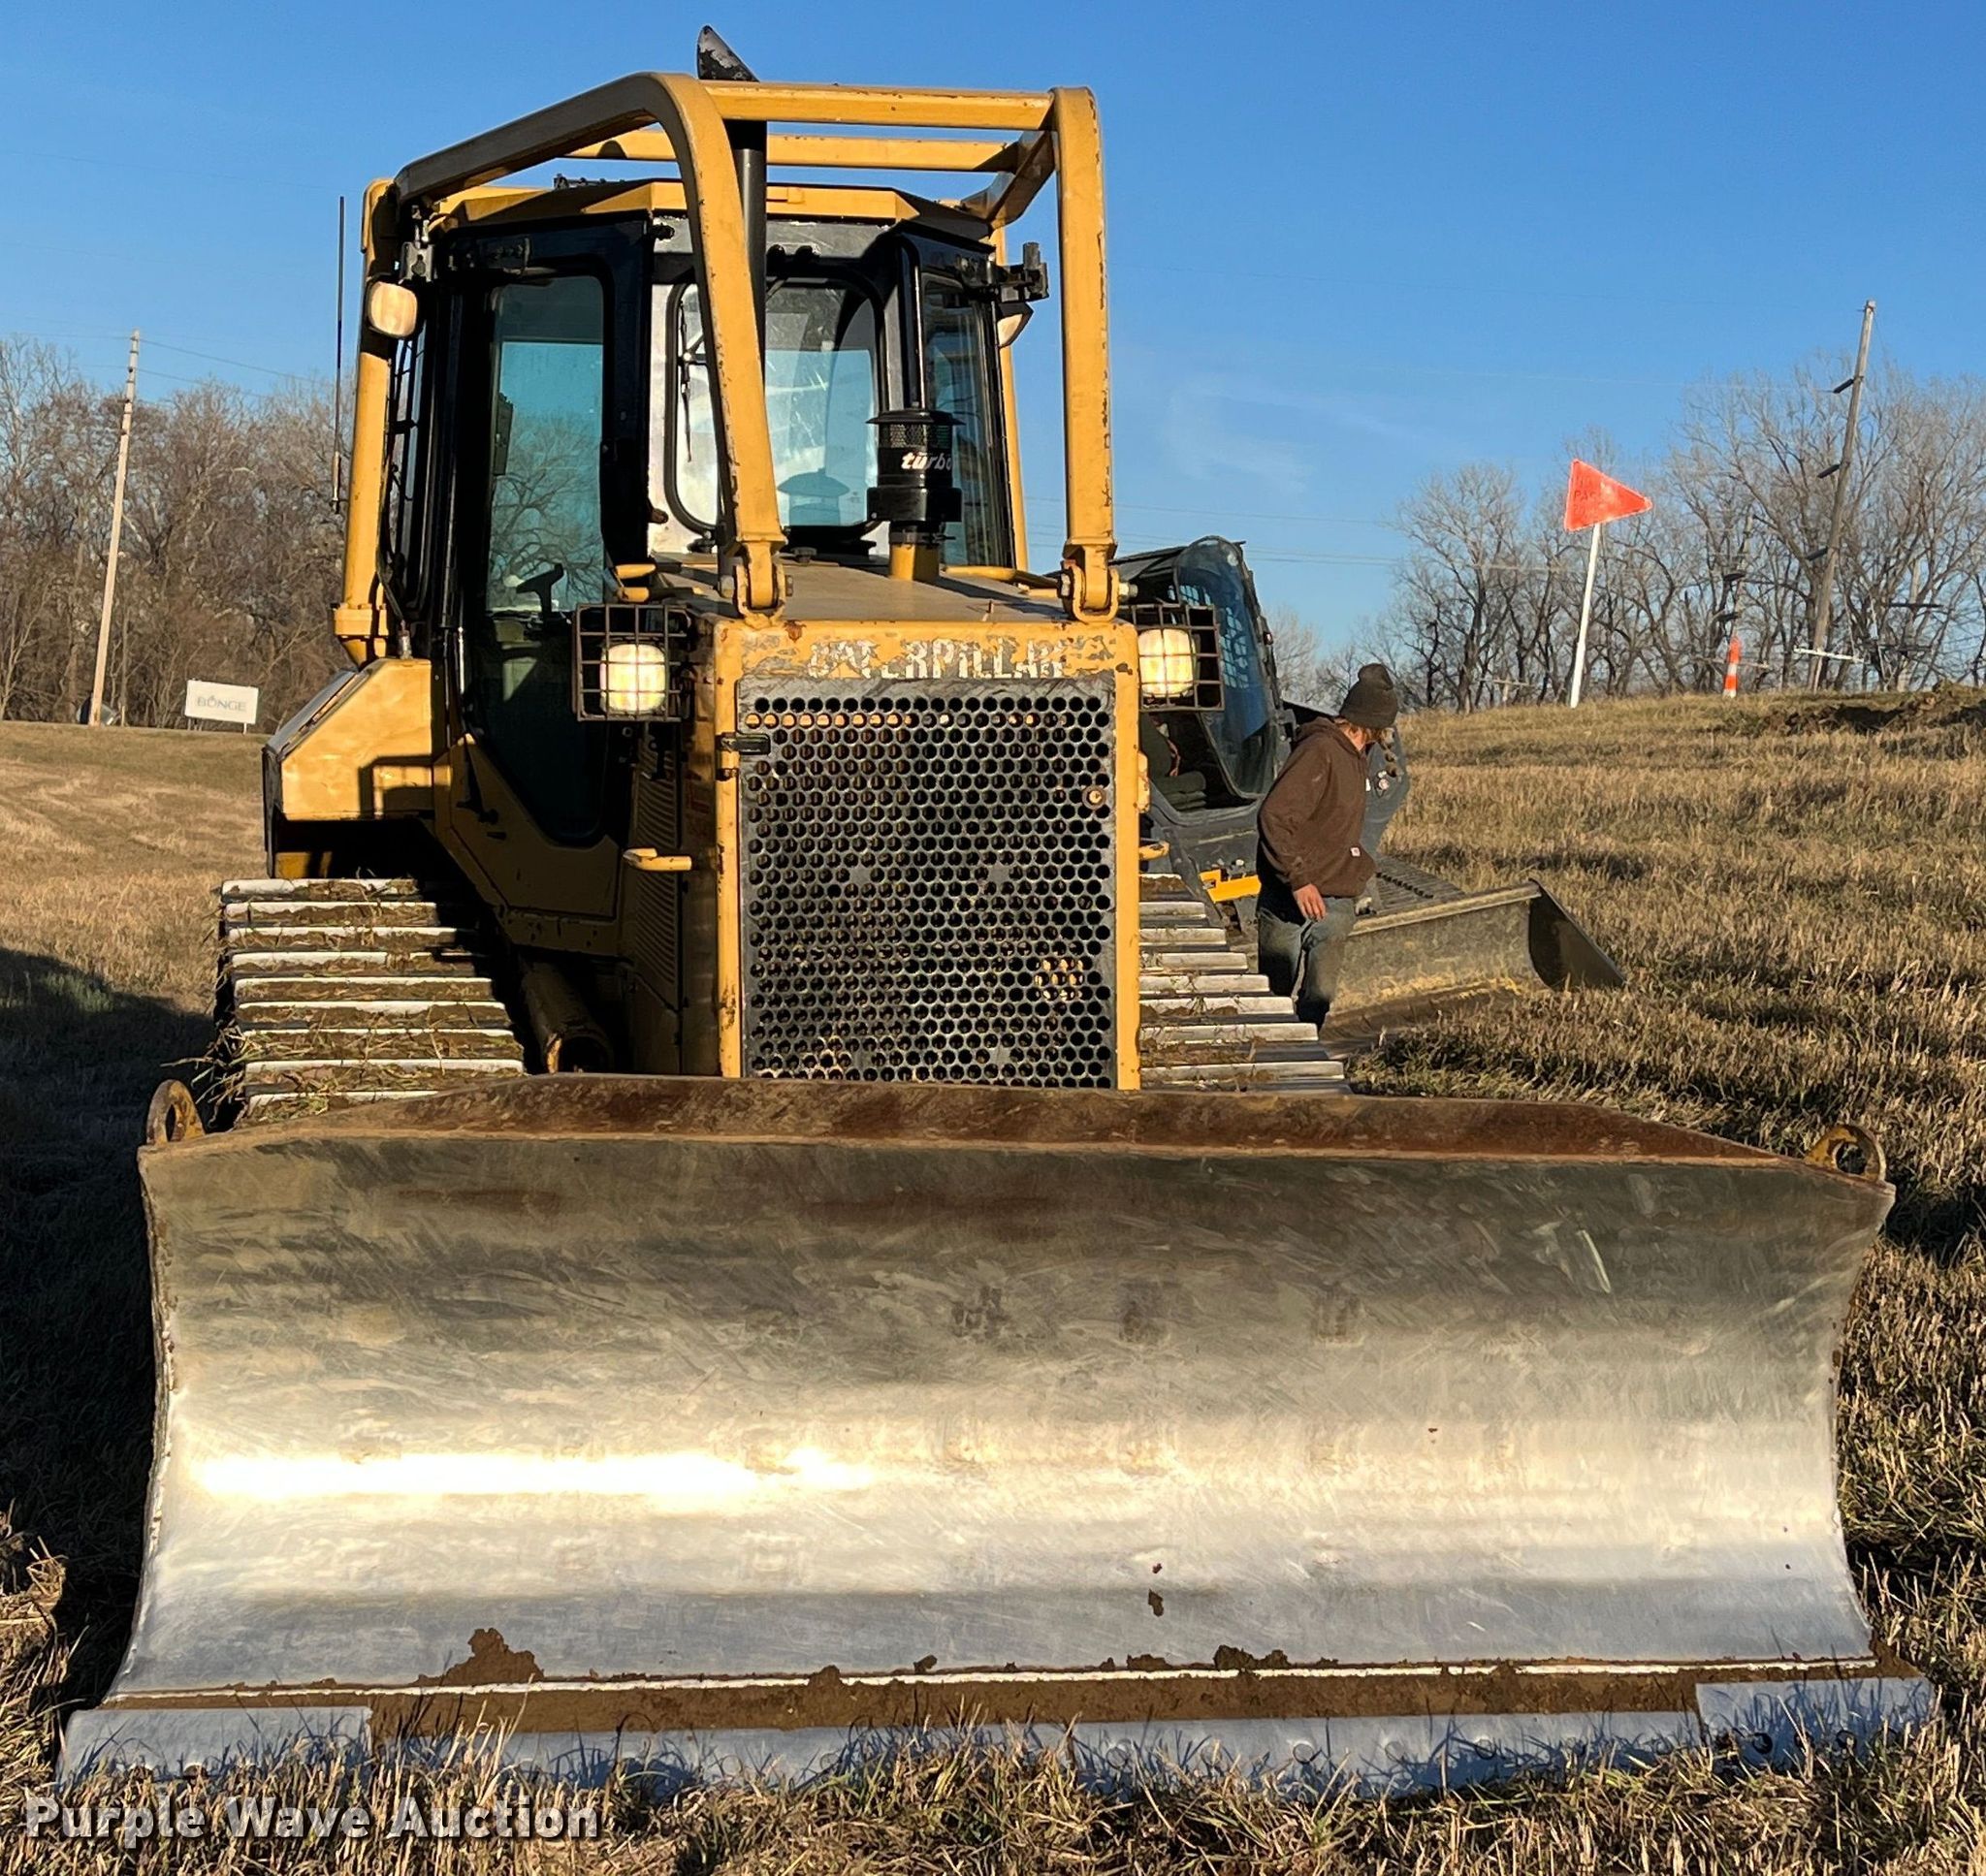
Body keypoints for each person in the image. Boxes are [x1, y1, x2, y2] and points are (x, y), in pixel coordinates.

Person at [1254, 664, 1399, 1029]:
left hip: (1335, 900)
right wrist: (1299, 880)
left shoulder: (1357, 757)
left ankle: (1305, 1055)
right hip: (1291, 898)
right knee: (1273, 1000)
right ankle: (1270, 1058)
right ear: (1373, 725)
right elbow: (1275, 815)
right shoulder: (1320, 750)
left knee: (1319, 998)